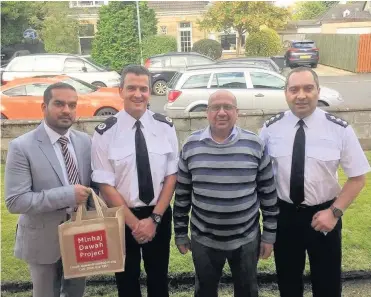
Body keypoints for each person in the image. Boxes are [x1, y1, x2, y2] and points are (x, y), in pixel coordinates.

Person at [259, 67, 370, 297]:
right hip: (285, 216)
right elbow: (260, 175)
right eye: (294, 89)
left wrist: (334, 212)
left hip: (325, 214)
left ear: (318, 91)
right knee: (288, 283)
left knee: (327, 284)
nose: (301, 95)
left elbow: (358, 177)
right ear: (286, 93)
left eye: (308, 88)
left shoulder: (339, 129)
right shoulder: (270, 129)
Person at [173, 90, 279, 297]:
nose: (222, 112)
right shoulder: (191, 145)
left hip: (247, 239)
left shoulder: (254, 144)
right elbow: (182, 194)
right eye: (215, 107)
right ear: (207, 112)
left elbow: (268, 194)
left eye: (228, 107)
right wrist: (179, 232)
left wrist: (269, 235)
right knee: (204, 291)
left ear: (237, 112)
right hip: (203, 239)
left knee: (247, 291)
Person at [91, 65, 178, 297]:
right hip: (121, 216)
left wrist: (154, 219)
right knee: (126, 281)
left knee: (159, 278)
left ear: (150, 92)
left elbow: (172, 176)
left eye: (143, 88)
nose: (138, 94)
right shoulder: (104, 132)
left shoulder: (166, 126)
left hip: (158, 213)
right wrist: (134, 224)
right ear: (120, 91)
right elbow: (104, 184)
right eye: (131, 88)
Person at [5, 82, 93, 297]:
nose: (67, 110)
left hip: (81, 237)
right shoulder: (22, 146)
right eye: (59, 104)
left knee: (75, 293)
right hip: (42, 239)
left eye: (72, 105)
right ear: (44, 107)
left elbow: (92, 186)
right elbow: (15, 201)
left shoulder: (85, 142)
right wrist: (67, 195)